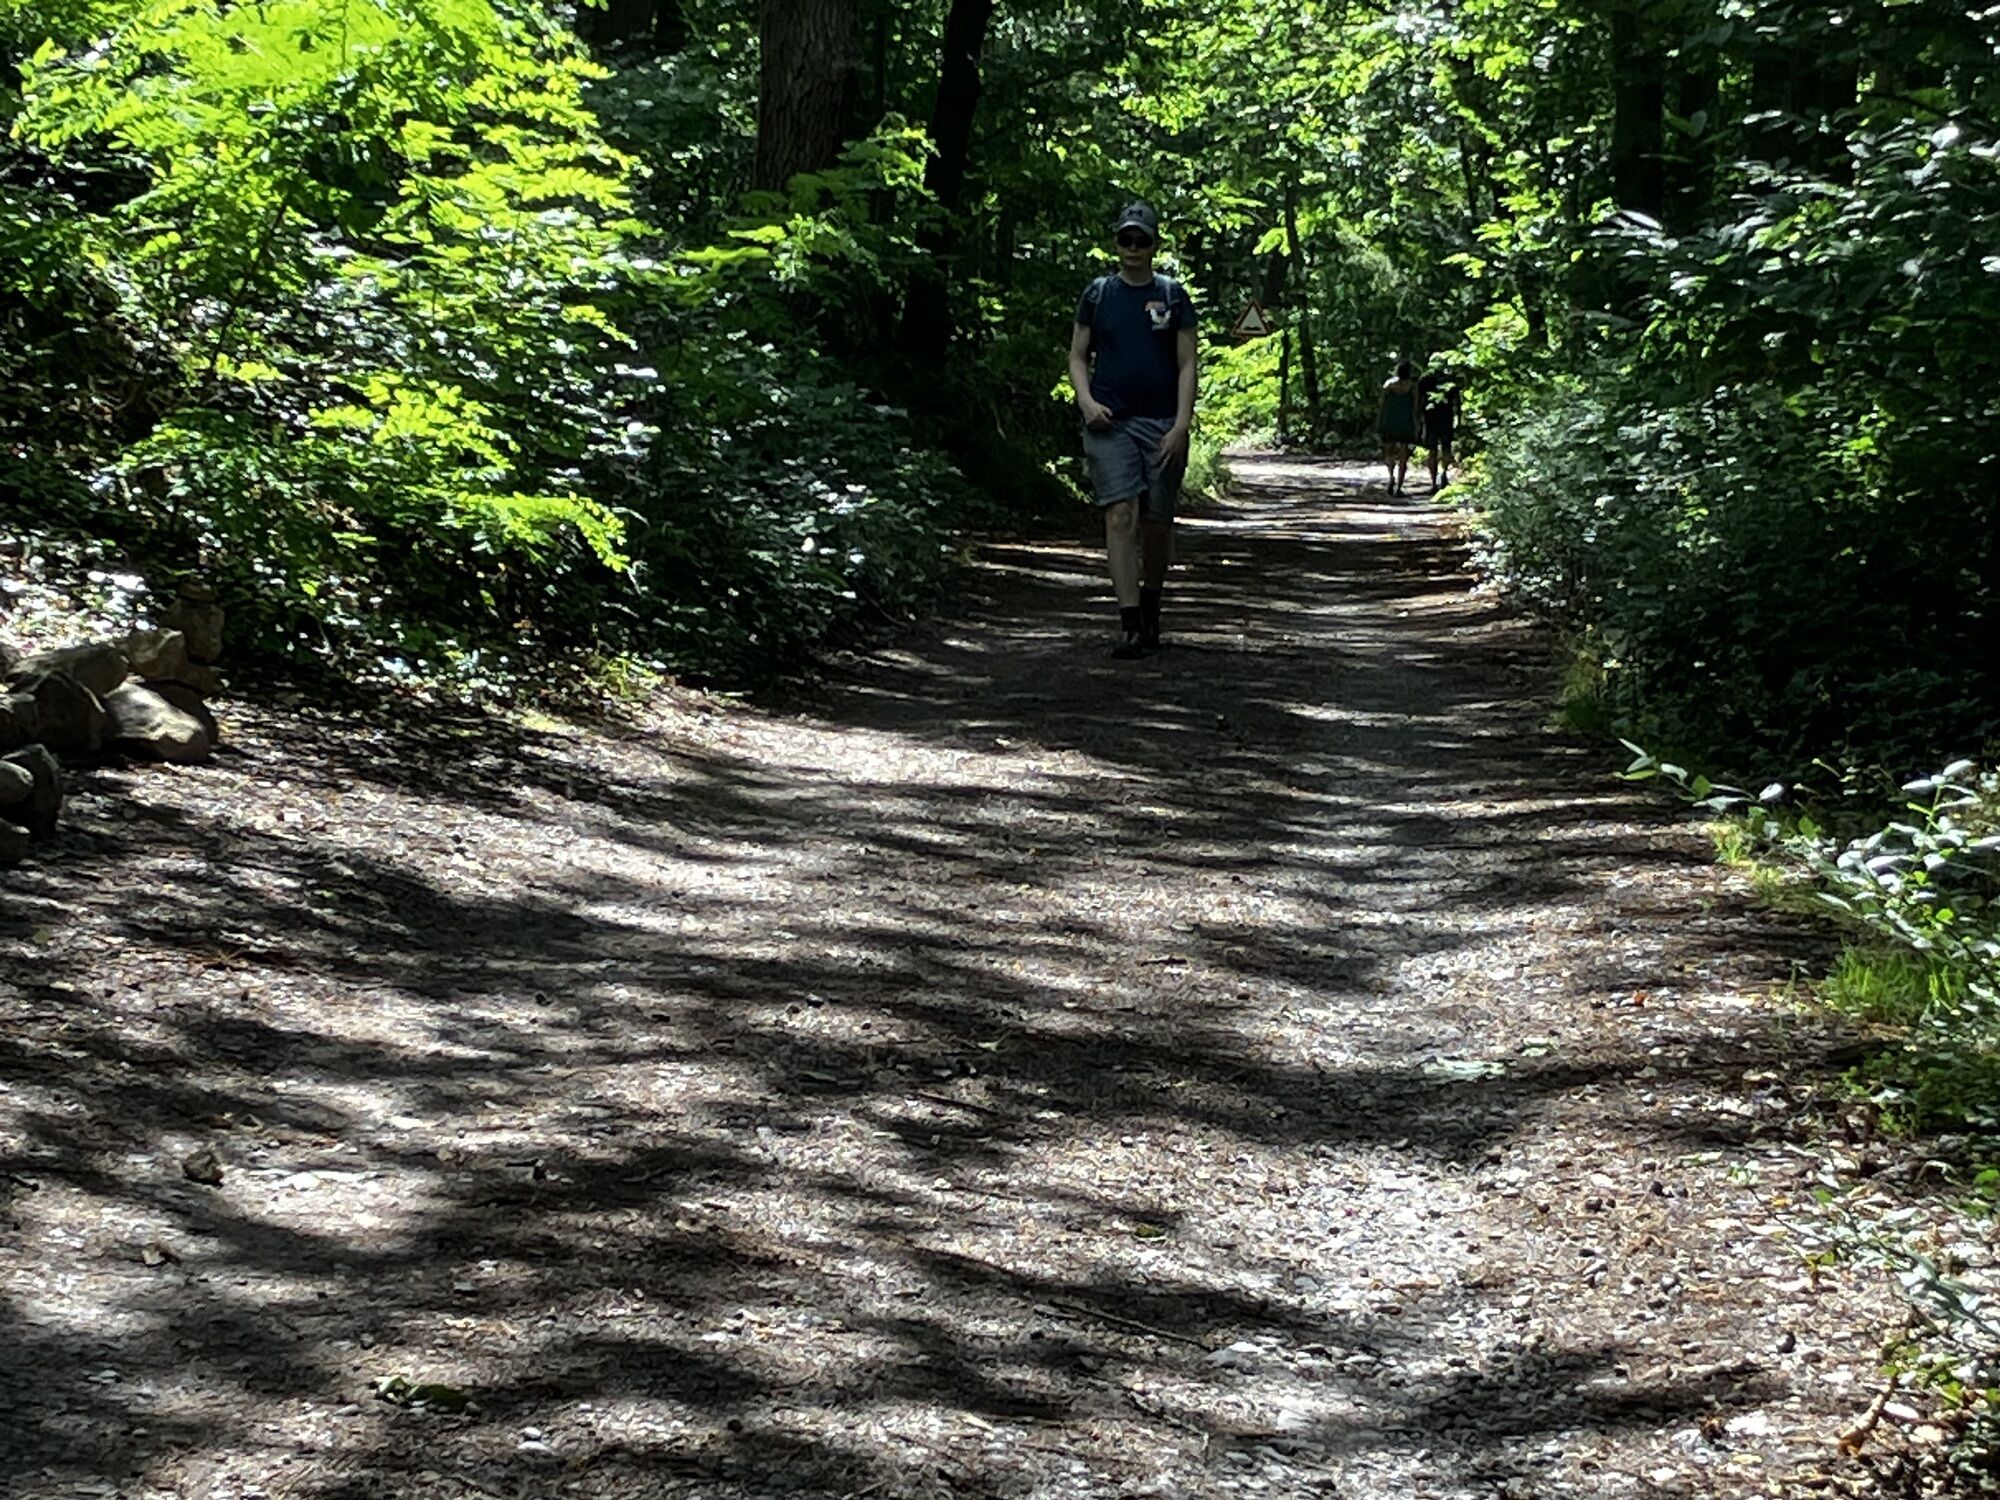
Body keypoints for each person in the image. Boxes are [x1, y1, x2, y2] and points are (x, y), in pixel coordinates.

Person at [1069, 200, 1198, 659]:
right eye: (1126, 239)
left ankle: (1151, 605)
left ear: (1153, 245)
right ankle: (1128, 623)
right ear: (1116, 243)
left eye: (1141, 240)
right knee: (1120, 513)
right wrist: (1086, 402)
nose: (1133, 247)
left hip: (1161, 424)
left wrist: (1181, 425)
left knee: (1157, 522)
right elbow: (1077, 356)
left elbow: (1187, 363)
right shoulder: (1098, 295)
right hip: (1110, 423)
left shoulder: (1172, 295)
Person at [1377, 360, 1421, 496]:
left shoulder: (1388, 385)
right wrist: (1417, 424)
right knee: (1403, 454)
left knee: (1389, 450)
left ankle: (1391, 477)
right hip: (1405, 422)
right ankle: (1399, 487)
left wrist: (1380, 420)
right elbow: (1416, 407)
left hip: (1390, 420)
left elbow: (1382, 404)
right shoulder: (1412, 387)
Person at [1419, 365, 1461, 490]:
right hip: (1446, 418)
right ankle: (1443, 475)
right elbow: (1457, 402)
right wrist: (1458, 418)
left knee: (1432, 451)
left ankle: (1434, 482)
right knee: (1446, 448)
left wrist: (1418, 418)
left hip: (1430, 418)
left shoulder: (1425, 379)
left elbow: (1419, 400)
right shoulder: (1449, 380)